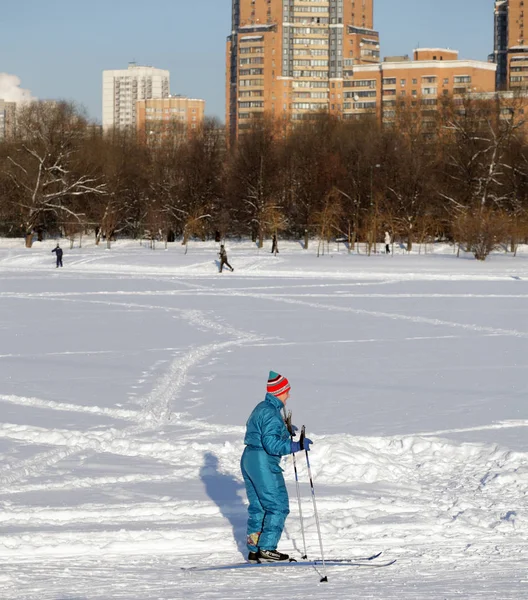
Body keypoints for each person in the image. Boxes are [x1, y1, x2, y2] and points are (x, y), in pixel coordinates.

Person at [240, 371, 313, 563]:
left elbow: (262, 432)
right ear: (279, 392)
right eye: (287, 391)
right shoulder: (272, 413)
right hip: (263, 461)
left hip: (249, 458)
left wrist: (284, 430)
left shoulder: (262, 408)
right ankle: (267, 548)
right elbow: (271, 445)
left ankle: (254, 548)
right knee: (278, 506)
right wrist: (295, 446)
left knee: (258, 507)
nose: (289, 395)